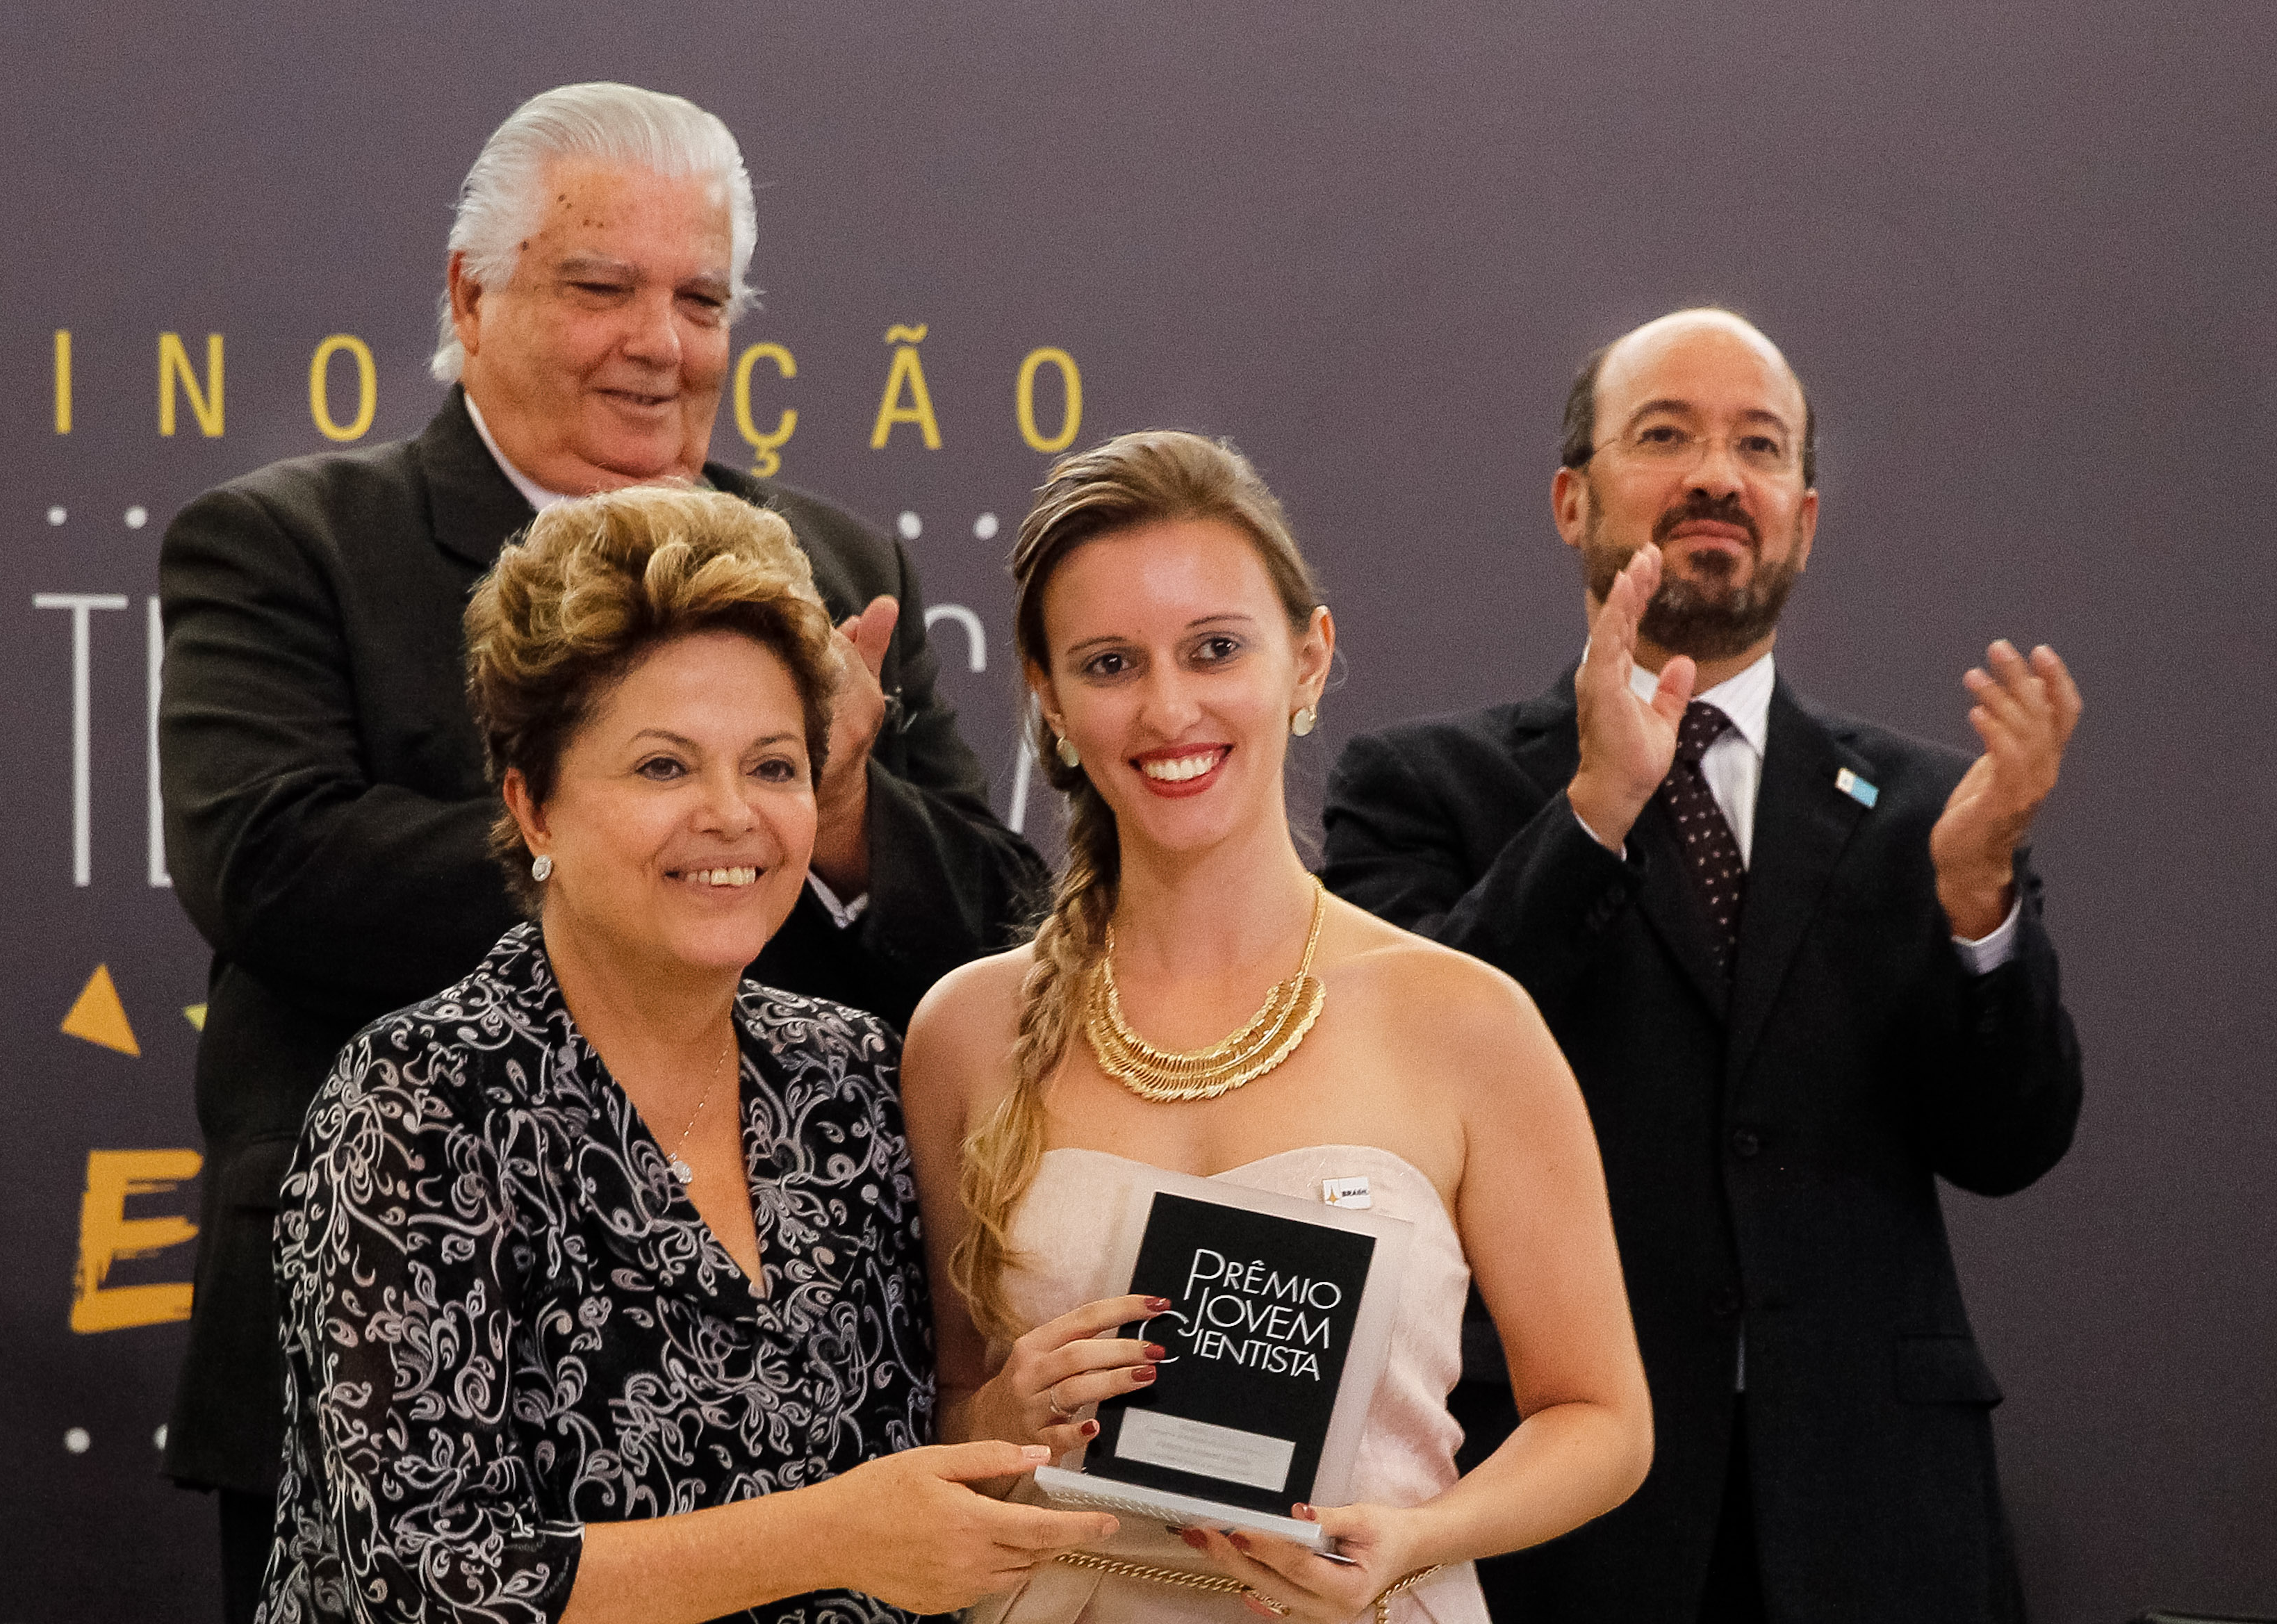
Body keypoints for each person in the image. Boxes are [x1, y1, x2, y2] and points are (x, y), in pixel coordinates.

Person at [157, 83, 1043, 1618]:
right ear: (470, 297)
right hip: (408, 1363)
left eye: (699, 297)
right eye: (600, 286)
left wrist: (822, 800)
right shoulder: (289, 538)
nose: (659, 338)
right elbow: (272, 862)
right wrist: (639, 865)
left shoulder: (837, 569)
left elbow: (989, 908)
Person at [1322, 309, 2085, 1622]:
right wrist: (1592, 817)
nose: (1715, 475)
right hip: (1556, 1503)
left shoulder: (1925, 811)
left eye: (1757, 445)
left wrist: (1976, 907)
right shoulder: (1423, 787)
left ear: (1800, 513)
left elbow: (2009, 1140)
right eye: (1664, 436)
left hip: (1871, 1505)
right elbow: (1397, 1087)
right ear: (1571, 500)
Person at [260, 485, 1112, 1624]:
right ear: (535, 807)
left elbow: (894, 1453)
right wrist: (826, 1536)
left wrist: (1005, 1421)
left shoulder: (846, 1077)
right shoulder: (420, 1103)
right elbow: (426, 1575)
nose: (732, 815)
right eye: (664, 767)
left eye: (772, 767)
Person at [901, 431, 1654, 1624]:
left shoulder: (1464, 1020)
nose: (1168, 707)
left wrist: (1414, 1537)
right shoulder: (964, 1031)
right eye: (1107, 663)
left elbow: (1602, 1419)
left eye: (1214, 648)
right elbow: (943, 1404)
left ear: (1307, 661)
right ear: (1045, 695)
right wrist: (1000, 1416)